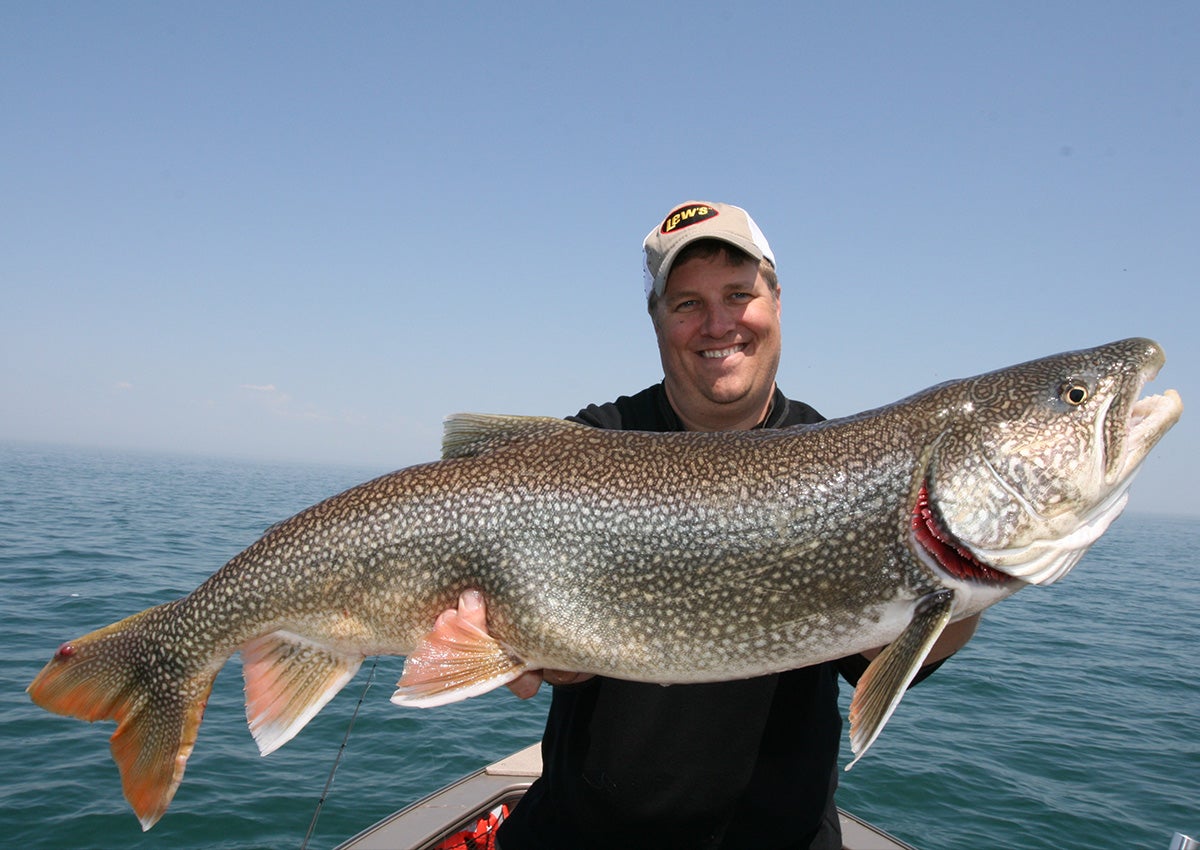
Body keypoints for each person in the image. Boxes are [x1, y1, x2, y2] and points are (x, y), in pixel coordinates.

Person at [439, 200, 979, 849]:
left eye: (738, 293)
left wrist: (962, 570)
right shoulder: (589, 444)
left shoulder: (842, 464)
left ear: (776, 301)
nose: (718, 322)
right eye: (687, 302)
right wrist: (509, 643)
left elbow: (888, 660)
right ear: (658, 320)